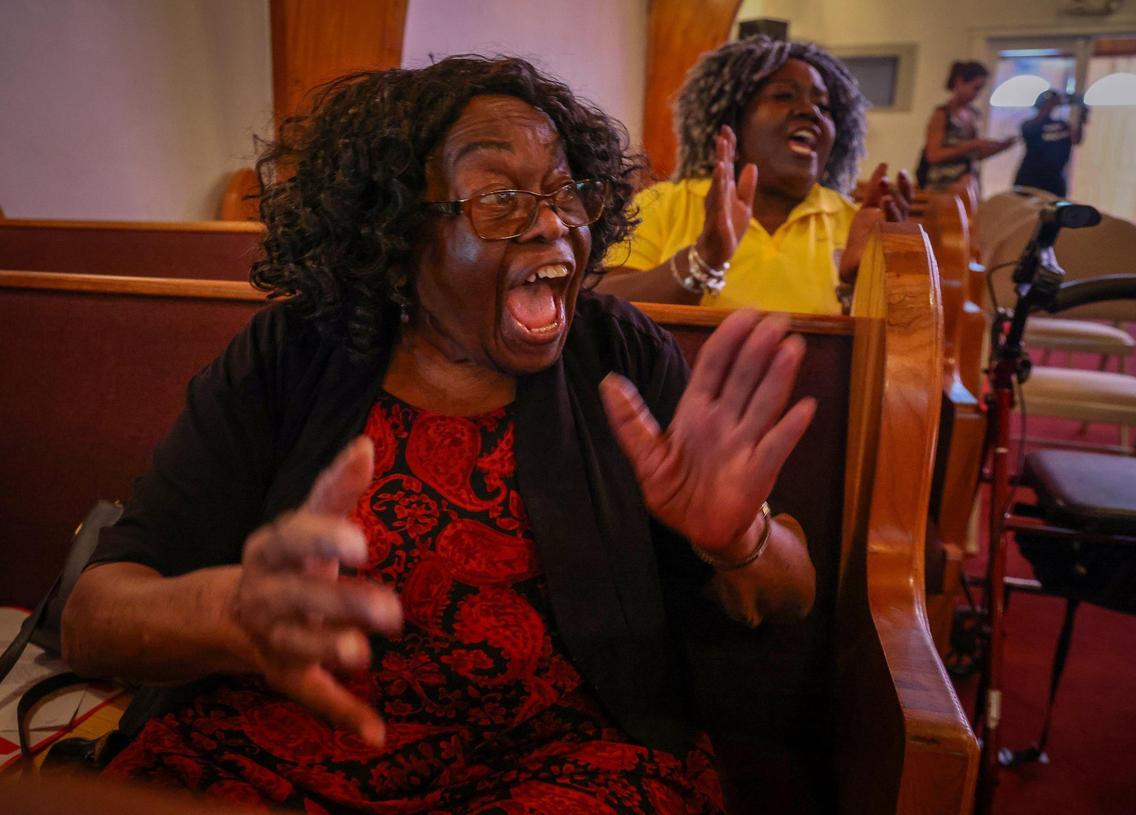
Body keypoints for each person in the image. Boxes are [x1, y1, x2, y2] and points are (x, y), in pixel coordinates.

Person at [60, 56, 818, 814]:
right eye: (498, 196)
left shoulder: (617, 353)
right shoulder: (291, 354)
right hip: (280, 750)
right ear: (396, 230)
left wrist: (737, 539)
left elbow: (788, 594)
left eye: (564, 190)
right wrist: (229, 616)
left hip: (558, 764)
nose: (553, 221)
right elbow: (93, 618)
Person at [597, 35, 912, 315]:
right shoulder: (667, 204)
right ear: (734, 120)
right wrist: (702, 261)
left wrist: (860, 285)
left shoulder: (852, 223)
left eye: (824, 106)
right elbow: (601, 302)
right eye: (784, 96)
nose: (810, 111)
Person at [918, 60, 1016, 192]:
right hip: (943, 187)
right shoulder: (942, 115)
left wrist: (1001, 147)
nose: (977, 94)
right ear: (959, 82)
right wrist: (973, 144)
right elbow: (933, 155)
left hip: (968, 185)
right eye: (975, 88)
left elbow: (973, 156)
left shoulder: (973, 115)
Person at [1013, 89, 1087, 197]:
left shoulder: (1062, 125)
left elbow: (1076, 139)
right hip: (1030, 178)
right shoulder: (1029, 124)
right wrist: (1048, 105)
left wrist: (1081, 115)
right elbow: (1030, 131)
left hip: (1054, 180)